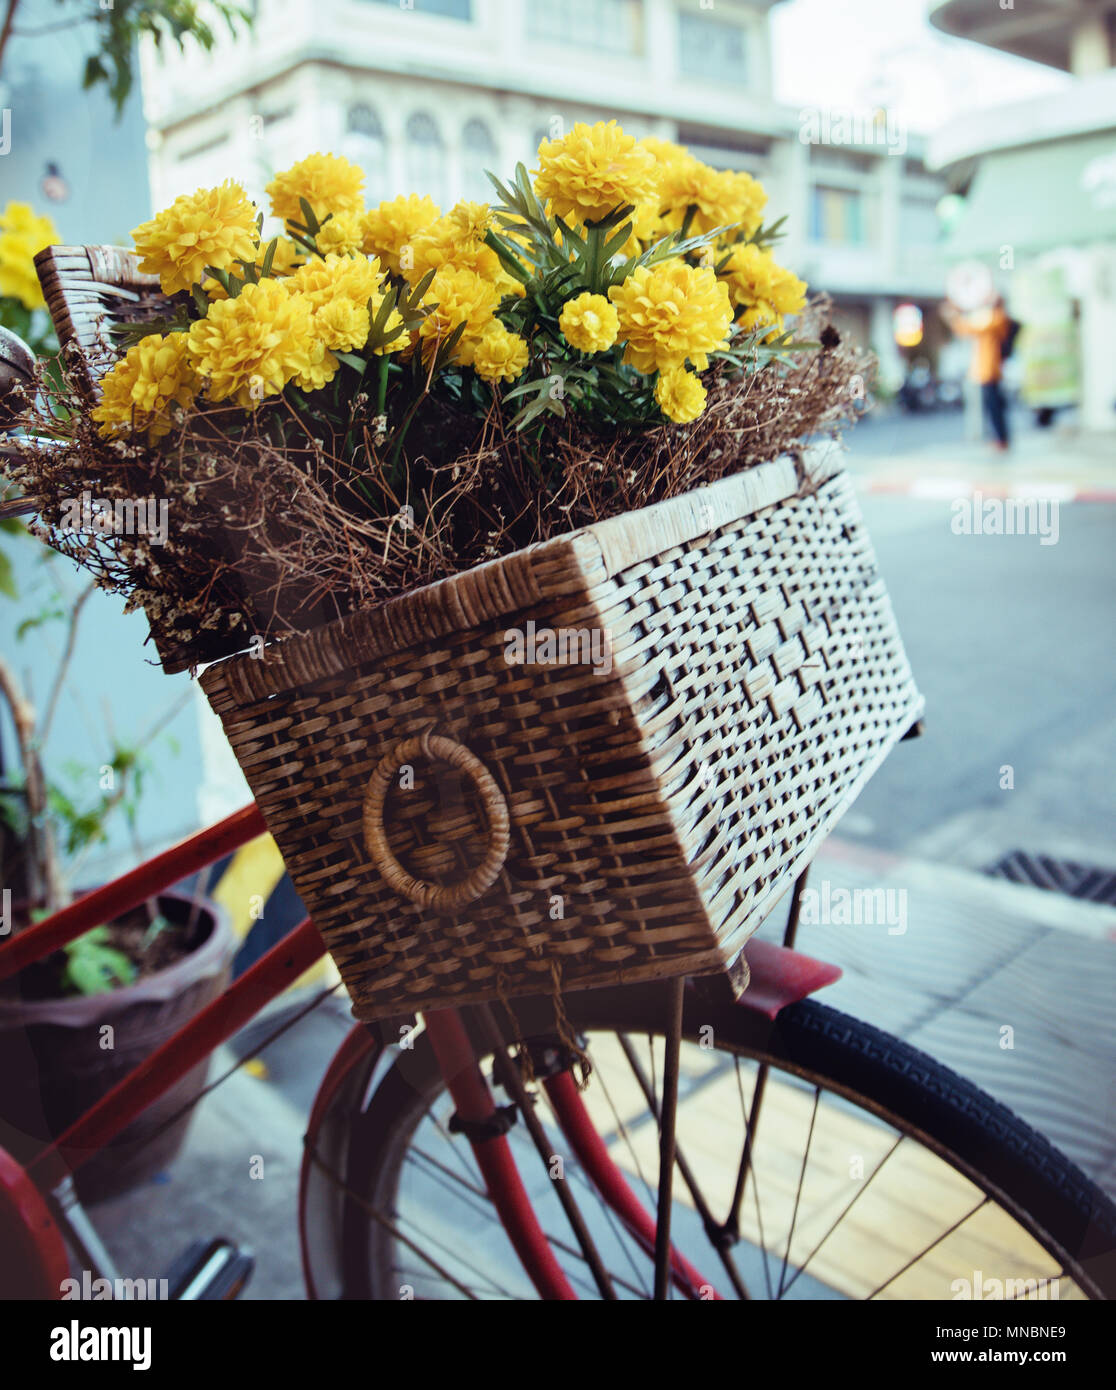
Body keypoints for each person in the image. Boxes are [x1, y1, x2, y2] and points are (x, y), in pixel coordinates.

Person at [941, 295, 1011, 450]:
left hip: (990, 371)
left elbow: (969, 328)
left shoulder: (997, 319)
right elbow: (967, 329)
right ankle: (999, 438)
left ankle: (1001, 439)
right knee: (992, 406)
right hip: (986, 371)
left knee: (995, 407)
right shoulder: (994, 319)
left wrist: (954, 316)